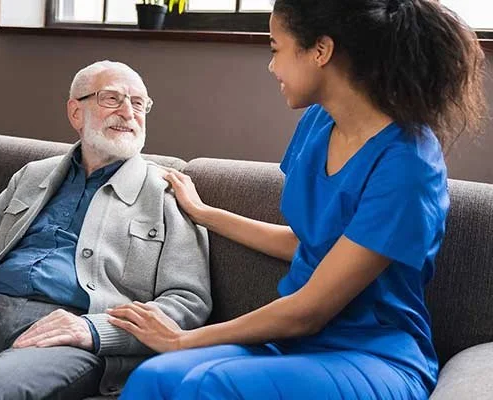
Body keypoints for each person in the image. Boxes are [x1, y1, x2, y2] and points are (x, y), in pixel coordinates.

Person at [108, 1, 487, 399]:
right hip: (297, 346)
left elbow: (309, 311)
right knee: (156, 377)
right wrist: (204, 214)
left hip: (372, 355)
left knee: (210, 384)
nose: (272, 66)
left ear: (320, 50)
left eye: (276, 48)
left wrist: (185, 338)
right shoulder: (318, 123)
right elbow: (310, 244)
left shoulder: (408, 164)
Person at [0, 60, 212, 400]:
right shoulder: (32, 175)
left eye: (138, 103)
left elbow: (187, 302)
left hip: (70, 336)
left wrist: (94, 329)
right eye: (112, 98)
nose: (128, 112)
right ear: (76, 112)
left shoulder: (169, 194)